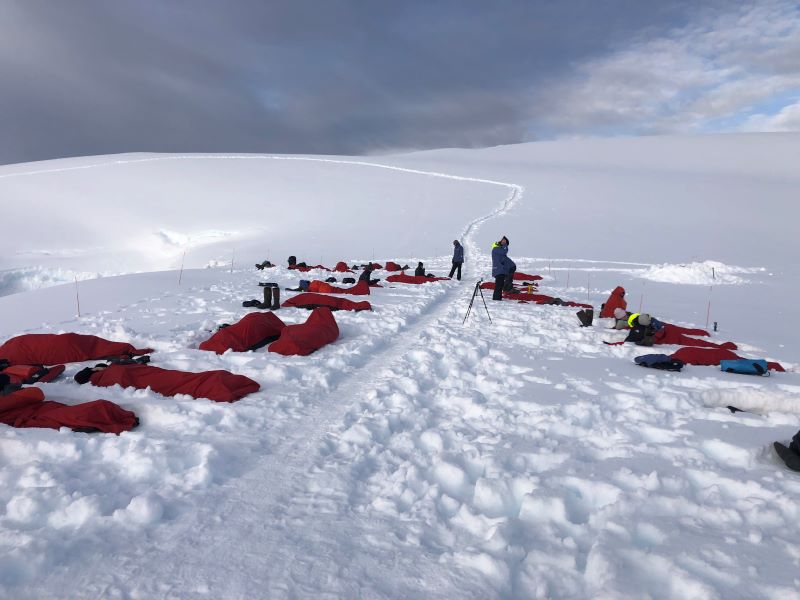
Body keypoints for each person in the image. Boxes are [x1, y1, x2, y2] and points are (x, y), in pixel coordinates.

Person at [491, 236, 514, 300]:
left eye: (505, 241)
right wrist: (505, 245)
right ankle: (496, 298)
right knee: (498, 285)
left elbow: (504, 258)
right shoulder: (496, 248)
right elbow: (504, 251)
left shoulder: (499, 250)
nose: (503, 241)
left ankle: (498, 298)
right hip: (498, 270)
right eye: (503, 240)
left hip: (500, 270)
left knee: (500, 285)